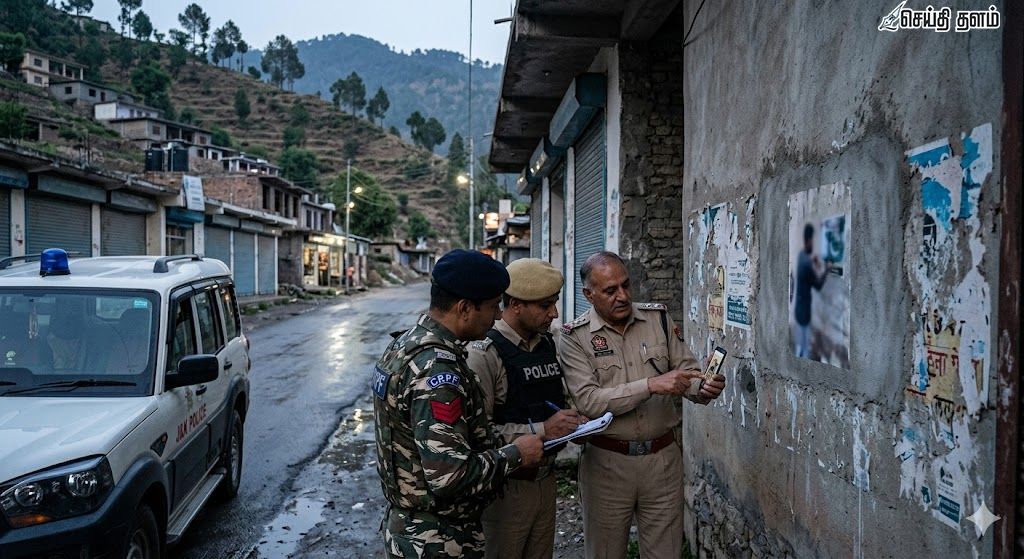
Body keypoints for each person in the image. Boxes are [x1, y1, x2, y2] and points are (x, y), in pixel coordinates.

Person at [373, 249, 546, 558]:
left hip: (416, 531)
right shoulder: (437, 370)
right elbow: (449, 475)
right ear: (465, 308)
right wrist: (516, 454)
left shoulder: (407, 343)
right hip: (437, 539)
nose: (496, 317)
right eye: (493, 307)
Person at [557, 251, 726, 559]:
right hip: (607, 462)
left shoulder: (657, 319)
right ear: (588, 295)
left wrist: (705, 388)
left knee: (666, 553)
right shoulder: (574, 337)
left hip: (662, 460)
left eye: (626, 285)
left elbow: (687, 375)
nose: (622, 296)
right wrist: (650, 385)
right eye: (610, 290)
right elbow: (589, 401)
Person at [465, 258, 587, 559]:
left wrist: (575, 424)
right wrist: (543, 430)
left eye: (554, 303)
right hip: (505, 489)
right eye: (545, 306)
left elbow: (556, 403)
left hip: (545, 482)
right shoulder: (484, 354)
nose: (554, 313)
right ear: (516, 305)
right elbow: (476, 435)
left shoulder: (547, 345)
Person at [793, 223, 832, 358]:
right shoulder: (806, 264)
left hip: (799, 309)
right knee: (805, 349)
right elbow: (818, 285)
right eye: (812, 241)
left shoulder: (801, 256)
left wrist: (813, 262)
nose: (813, 245)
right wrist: (826, 271)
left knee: (800, 345)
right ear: (808, 241)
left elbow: (808, 264)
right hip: (804, 313)